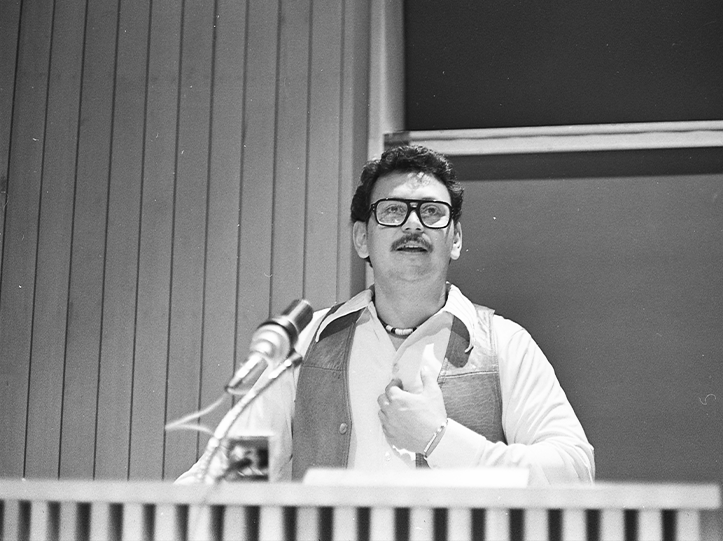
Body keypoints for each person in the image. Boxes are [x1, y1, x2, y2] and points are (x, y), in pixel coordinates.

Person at [178, 145, 594, 485]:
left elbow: (574, 472)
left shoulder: (505, 343)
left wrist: (440, 440)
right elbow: (240, 471)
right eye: (393, 211)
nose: (413, 225)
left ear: (456, 239)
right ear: (362, 237)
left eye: (432, 212)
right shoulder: (308, 343)